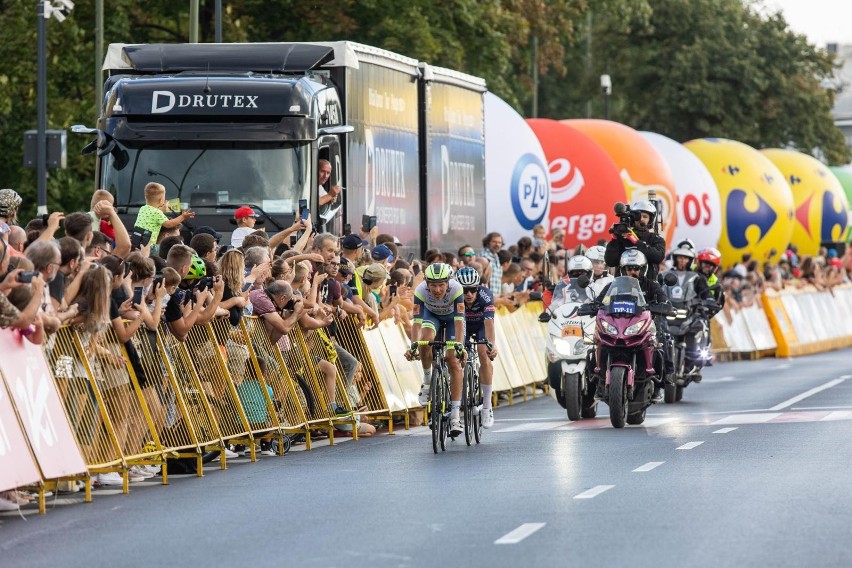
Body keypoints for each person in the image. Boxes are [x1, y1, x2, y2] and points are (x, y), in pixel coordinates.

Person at [594, 249, 668, 401]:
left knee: (661, 343)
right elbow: (600, 301)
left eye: (636, 268)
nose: (632, 271)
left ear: (643, 269)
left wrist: (664, 306)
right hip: (618, 325)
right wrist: (592, 305)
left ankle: (659, 384)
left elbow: (664, 300)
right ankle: (597, 381)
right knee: (596, 342)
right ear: (623, 269)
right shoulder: (613, 286)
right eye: (629, 268)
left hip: (644, 325)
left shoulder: (651, 285)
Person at [404, 262, 466, 436]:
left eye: (441, 285)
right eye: (433, 285)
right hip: (432, 317)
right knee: (425, 341)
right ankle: (428, 381)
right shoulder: (420, 291)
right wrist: (414, 345)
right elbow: (416, 322)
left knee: (453, 359)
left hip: (453, 319)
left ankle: (455, 416)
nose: (437, 290)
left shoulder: (457, 289)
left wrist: (459, 345)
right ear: (427, 284)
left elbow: (460, 322)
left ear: (448, 283)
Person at [455, 266, 498, 428]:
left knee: (484, 354)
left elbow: (489, 324)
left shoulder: (486, 296)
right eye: (465, 290)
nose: (469, 294)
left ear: (478, 287)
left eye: (473, 289)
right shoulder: (454, 297)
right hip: (462, 326)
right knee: (455, 356)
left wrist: (491, 345)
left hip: (481, 326)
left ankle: (487, 406)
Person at [604, 200, 666, 280]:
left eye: (645, 217)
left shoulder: (656, 239)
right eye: (638, 216)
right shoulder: (623, 238)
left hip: (648, 287)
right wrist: (615, 239)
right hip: (623, 287)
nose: (641, 219)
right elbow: (610, 262)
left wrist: (636, 242)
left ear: (650, 220)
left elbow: (658, 257)